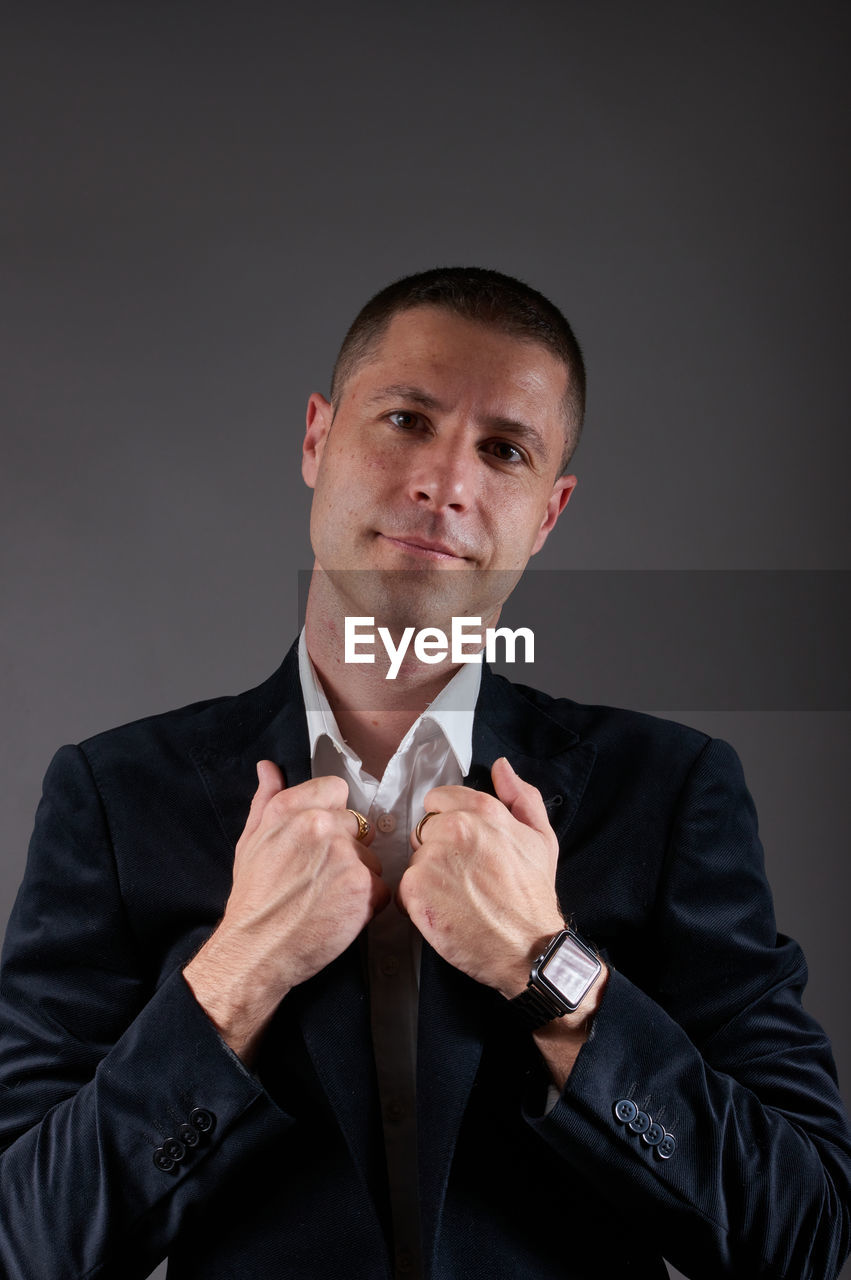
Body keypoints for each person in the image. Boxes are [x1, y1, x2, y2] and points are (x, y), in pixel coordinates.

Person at [1, 267, 849, 1280]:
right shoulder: (114, 794)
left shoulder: (668, 791)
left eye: (504, 450)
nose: (444, 481)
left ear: (546, 513)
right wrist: (240, 970)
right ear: (316, 438)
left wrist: (551, 969)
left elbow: (809, 1232)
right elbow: (22, 1241)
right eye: (406, 418)